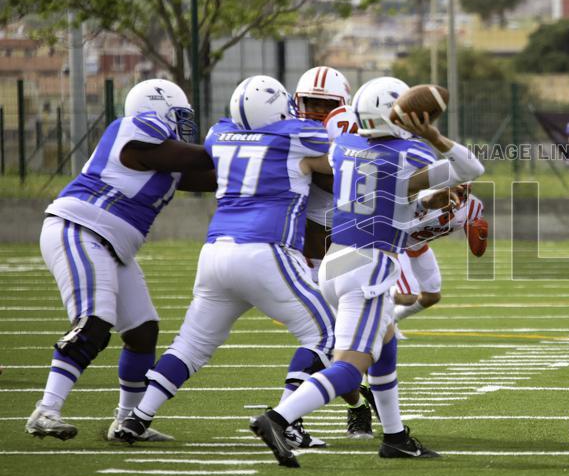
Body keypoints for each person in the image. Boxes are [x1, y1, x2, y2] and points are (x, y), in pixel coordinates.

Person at [248, 77, 485, 467]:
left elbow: (398, 189)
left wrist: (430, 195)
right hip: (369, 266)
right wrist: (436, 137)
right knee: (350, 365)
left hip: (337, 260)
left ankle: (395, 437)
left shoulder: (344, 145)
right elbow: (470, 168)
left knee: (385, 343)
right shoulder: (407, 150)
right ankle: (278, 417)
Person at [113, 75, 336, 449]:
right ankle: (286, 420)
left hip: (216, 251)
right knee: (328, 334)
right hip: (266, 250)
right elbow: (340, 159)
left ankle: (136, 417)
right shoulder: (295, 134)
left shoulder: (220, 133)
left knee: (190, 346)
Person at [27, 79, 215, 442]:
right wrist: (231, 144)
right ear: (157, 110)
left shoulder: (167, 157)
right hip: (80, 228)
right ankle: (46, 411)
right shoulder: (132, 131)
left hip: (110, 242)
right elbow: (197, 157)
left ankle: (126, 421)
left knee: (142, 331)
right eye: (179, 116)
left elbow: (217, 175)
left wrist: (263, 163)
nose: (184, 124)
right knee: (95, 322)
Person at [293, 66, 374, 440]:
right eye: (307, 103)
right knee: (326, 342)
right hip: (305, 253)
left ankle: (367, 407)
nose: (312, 112)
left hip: (353, 249)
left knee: (357, 344)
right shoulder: (290, 134)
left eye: (321, 105)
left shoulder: (355, 133)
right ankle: (356, 406)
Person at [392, 184, 489, 325]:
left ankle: (391, 320)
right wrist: (428, 202)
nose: (462, 187)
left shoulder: (473, 206)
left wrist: (481, 236)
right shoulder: (425, 196)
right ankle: (366, 298)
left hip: (418, 246)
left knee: (431, 296)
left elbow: (477, 251)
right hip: (396, 243)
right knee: (407, 295)